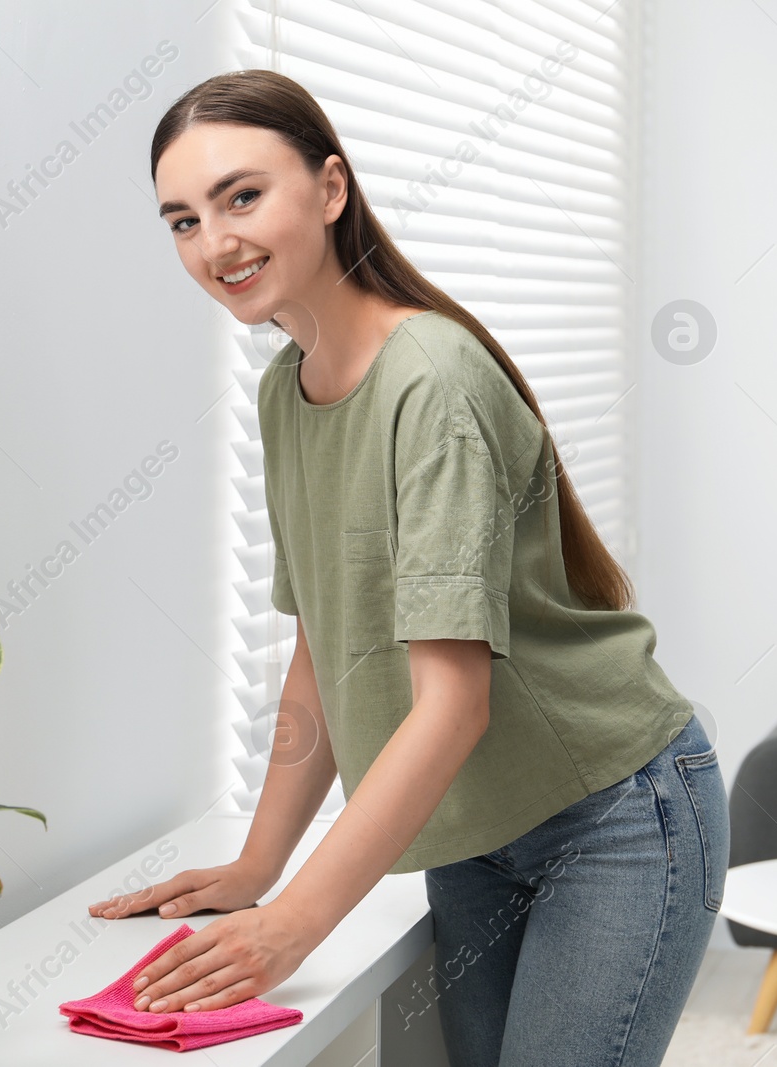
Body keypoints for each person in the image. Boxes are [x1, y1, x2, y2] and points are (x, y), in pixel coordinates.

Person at [86, 69, 728, 1067]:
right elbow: (326, 649)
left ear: (331, 190)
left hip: (612, 816)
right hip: (468, 827)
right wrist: (262, 862)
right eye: (181, 219)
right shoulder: (283, 394)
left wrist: (293, 920)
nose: (214, 243)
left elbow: (450, 704)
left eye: (242, 196)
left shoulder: (431, 380)